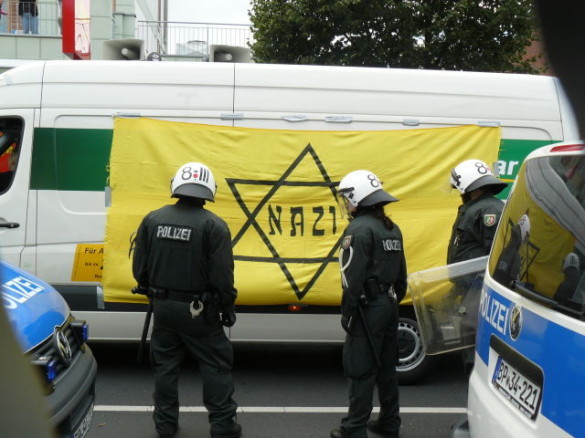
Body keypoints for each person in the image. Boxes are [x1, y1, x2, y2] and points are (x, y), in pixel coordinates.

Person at [131, 162, 241, 438]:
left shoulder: (152, 219)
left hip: (163, 308)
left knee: (165, 366)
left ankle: (165, 425)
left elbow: (139, 269)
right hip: (200, 311)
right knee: (215, 365)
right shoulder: (214, 226)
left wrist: (150, 288)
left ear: (177, 185)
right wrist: (227, 307)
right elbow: (222, 276)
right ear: (208, 190)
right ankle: (223, 426)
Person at [331, 170, 407, 438]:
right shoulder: (392, 228)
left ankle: (354, 428)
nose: (346, 204)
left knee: (360, 368)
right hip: (389, 304)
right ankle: (389, 423)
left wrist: (348, 312)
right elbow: (402, 278)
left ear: (358, 197)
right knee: (386, 368)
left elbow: (352, 278)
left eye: (347, 198)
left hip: (368, 307)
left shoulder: (359, 229)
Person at [447, 159, 507, 374]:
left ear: (468, 185)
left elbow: (494, 256)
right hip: (470, 286)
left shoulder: (489, 210)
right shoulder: (477, 208)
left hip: (479, 288)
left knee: (473, 332)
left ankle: (477, 375)